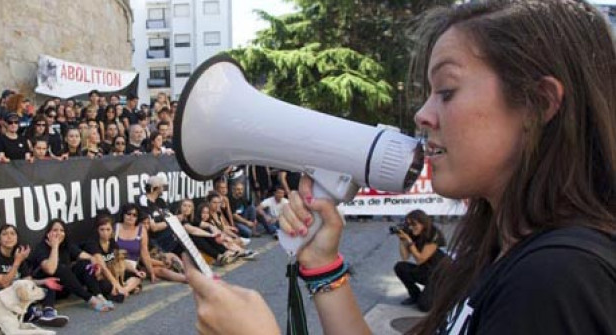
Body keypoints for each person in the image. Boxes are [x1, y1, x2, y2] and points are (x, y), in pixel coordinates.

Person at [184, 1, 616, 334]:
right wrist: (322, 266)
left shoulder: (558, 279)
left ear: (538, 104)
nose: (423, 115)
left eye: (446, 91)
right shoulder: (505, 252)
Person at [0, 225, 68, 327]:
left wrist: (44, 281)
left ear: (17, 238)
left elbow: (28, 282)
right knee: (8, 292)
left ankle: (48, 312)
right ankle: (30, 314)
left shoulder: (18, 257)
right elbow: (3, 283)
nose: (9, 237)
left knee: (47, 284)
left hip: (14, 298)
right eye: (5, 234)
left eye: (12, 234)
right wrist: (17, 262)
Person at [26, 219, 114, 312]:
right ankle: (91, 300)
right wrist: (55, 246)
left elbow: (89, 257)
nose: (58, 233)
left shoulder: (67, 245)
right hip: (50, 288)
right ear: (48, 233)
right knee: (61, 268)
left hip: (67, 286)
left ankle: (99, 296)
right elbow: (50, 270)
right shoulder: (41, 247)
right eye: (55, 230)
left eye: (62, 230)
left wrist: (95, 264)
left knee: (85, 264)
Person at [394, 209, 448, 312]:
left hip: (440, 274)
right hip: (426, 270)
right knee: (400, 267)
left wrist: (409, 241)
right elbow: (405, 257)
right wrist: (402, 240)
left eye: (414, 224)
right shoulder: (413, 232)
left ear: (423, 223)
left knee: (425, 307)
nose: (411, 227)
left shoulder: (433, 234)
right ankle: (415, 295)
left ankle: (443, 294)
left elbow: (420, 259)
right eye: (409, 224)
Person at [81, 215, 142, 301]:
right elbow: (103, 267)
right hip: (100, 275)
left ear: (111, 230)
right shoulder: (92, 244)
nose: (105, 232)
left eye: (108, 229)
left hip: (112, 273)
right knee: (106, 286)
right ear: (97, 230)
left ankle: (123, 291)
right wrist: (116, 284)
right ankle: (123, 290)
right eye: (102, 229)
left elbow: (121, 261)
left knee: (136, 277)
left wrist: (135, 271)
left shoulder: (112, 242)